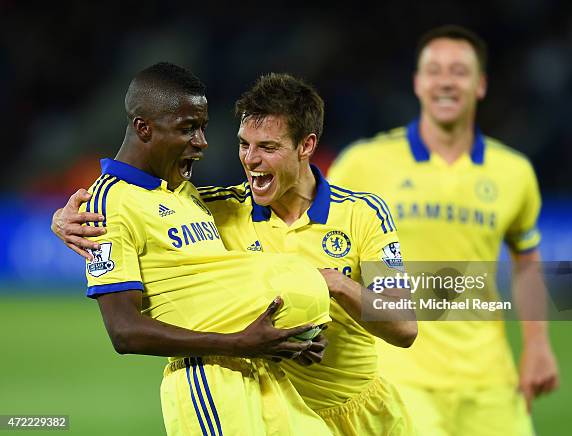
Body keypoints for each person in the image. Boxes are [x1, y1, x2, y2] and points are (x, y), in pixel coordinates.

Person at [53, 72, 418, 435]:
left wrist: (334, 283)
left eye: (268, 148)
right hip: (276, 410)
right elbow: (138, 208)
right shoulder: (218, 209)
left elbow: (404, 327)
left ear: (306, 146)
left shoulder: (363, 213)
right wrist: (61, 220)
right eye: (244, 144)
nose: (251, 159)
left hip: (364, 410)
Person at [327, 25, 560, 436]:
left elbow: (526, 262)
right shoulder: (363, 163)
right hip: (399, 374)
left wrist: (538, 345)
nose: (446, 81)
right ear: (417, 83)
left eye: (459, 70)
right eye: (434, 70)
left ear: (481, 84)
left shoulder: (514, 172)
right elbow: (326, 250)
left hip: (490, 381)